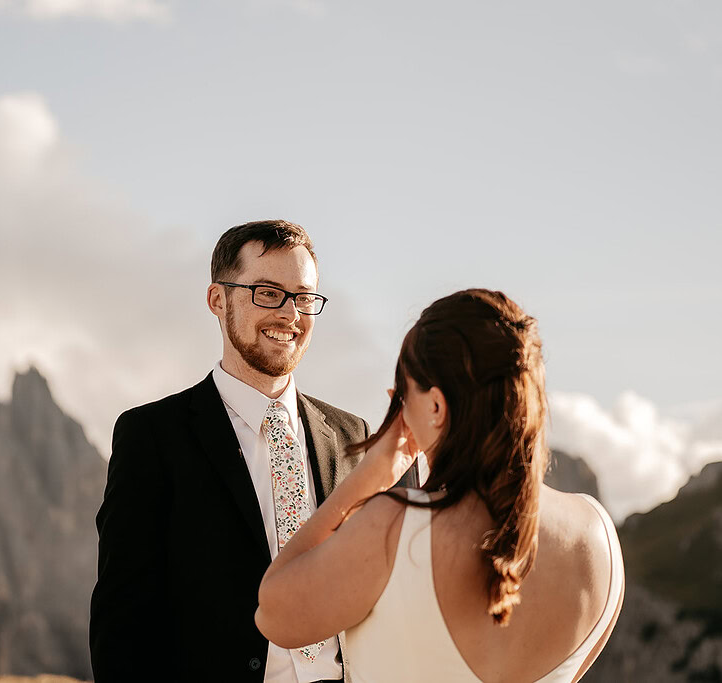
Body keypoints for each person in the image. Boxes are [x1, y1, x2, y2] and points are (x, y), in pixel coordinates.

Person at [89, 220, 419, 683]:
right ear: (217, 299)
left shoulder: (354, 436)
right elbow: (121, 622)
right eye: (267, 292)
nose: (290, 313)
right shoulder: (152, 435)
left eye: (304, 296)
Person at [255, 289, 624, 683]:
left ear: (435, 406)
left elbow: (273, 610)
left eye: (402, 393)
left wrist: (369, 476)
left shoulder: (397, 527)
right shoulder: (596, 532)